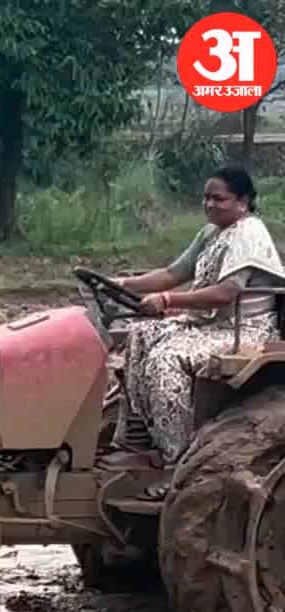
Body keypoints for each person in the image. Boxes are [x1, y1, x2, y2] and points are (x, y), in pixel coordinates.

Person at [109, 165, 285, 491]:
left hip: (242, 330)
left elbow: (225, 293)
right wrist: (121, 283)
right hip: (209, 323)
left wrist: (165, 300)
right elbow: (172, 273)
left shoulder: (249, 234)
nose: (210, 205)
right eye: (206, 198)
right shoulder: (210, 233)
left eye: (219, 199)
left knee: (167, 359)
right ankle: (141, 436)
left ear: (243, 202)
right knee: (140, 334)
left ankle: (177, 459)